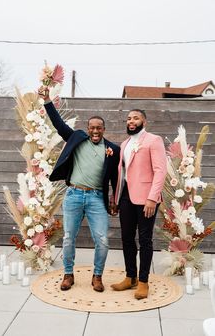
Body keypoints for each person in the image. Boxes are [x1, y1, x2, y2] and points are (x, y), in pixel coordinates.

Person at [38, 86, 120, 292]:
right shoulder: (76, 138)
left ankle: (97, 276)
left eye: (99, 128)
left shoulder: (113, 149)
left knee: (102, 239)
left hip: (96, 198)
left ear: (104, 129)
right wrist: (47, 100)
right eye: (92, 127)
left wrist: (113, 198)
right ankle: (68, 274)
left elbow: (115, 177)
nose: (94, 130)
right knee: (68, 238)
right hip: (74, 195)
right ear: (87, 127)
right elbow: (58, 124)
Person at [111, 109, 167, 299]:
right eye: (128, 118)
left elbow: (160, 171)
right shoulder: (125, 143)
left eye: (135, 118)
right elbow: (122, 173)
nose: (131, 121)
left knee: (145, 240)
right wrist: (116, 197)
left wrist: (153, 197)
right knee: (126, 238)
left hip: (146, 198)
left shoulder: (153, 140)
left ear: (145, 121)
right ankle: (130, 277)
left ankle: (143, 282)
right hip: (126, 196)